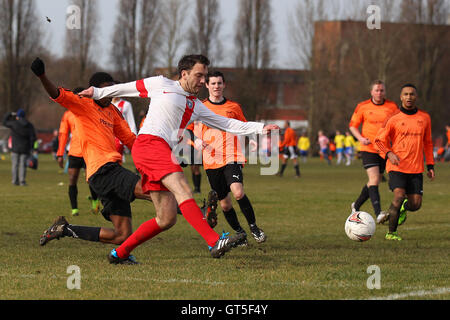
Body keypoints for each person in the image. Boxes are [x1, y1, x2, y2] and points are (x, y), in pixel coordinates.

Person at [78, 54, 278, 263]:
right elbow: (126, 88)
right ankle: (214, 241)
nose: (203, 81)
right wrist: (97, 92)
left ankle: (119, 253)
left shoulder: (196, 105)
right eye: (199, 76)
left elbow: (226, 123)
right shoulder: (160, 83)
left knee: (167, 217)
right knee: (182, 187)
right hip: (149, 145)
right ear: (184, 74)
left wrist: (260, 128)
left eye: (205, 76)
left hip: (158, 150)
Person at [31, 58, 153, 264]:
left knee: (122, 236)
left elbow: (131, 140)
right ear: (94, 90)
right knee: (153, 190)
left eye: (113, 91)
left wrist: (152, 154)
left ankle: (65, 229)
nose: (110, 94)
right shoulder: (82, 103)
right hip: (103, 169)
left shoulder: (113, 112)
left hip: (109, 171)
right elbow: (56, 94)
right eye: (106, 90)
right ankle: (194, 212)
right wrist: (42, 76)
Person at [196, 70, 267, 245]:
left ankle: (253, 227)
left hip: (232, 156)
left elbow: (243, 125)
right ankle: (239, 232)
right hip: (211, 161)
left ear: (224, 85)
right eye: (212, 83)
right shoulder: (200, 107)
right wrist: (196, 142)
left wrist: (252, 140)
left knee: (238, 192)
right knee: (225, 205)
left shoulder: (233, 107)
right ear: (206, 85)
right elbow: (191, 130)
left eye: (219, 83)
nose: (216, 86)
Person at [374, 84, 435, 241]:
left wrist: (430, 165)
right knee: (399, 195)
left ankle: (399, 210)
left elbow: (428, 143)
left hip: (416, 168)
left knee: (415, 205)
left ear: (416, 97)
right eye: (406, 94)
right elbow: (379, 140)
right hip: (397, 166)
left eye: (412, 94)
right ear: (401, 97)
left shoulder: (425, 118)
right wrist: (388, 153)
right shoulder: (393, 118)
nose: (409, 97)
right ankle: (391, 233)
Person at [349, 80, 399, 224]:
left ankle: (356, 205)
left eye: (382, 90)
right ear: (371, 92)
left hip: (384, 149)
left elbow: (396, 126)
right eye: (377, 90)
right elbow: (353, 126)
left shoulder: (392, 106)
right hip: (368, 148)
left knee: (373, 181)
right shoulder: (363, 106)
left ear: (385, 92)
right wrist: (360, 138)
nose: (379, 93)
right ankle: (378, 214)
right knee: (375, 180)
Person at [56, 87, 100, 216]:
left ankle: (95, 200)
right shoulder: (68, 114)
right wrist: (60, 154)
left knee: (91, 179)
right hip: (74, 152)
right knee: (72, 179)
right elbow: (63, 134)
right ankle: (74, 208)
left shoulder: (91, 111)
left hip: (89, 151)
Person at [2, 108, 37, 186]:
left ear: (17, 116)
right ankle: (22, 181)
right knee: (23, 165)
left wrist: (10, 114)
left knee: (15, 165)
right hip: (25, 148)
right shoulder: (29, 125)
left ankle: (14, 181)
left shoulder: (14, 124)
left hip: (15, 148)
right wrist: (32, 148)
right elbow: (33, 137)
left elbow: (4, 122)